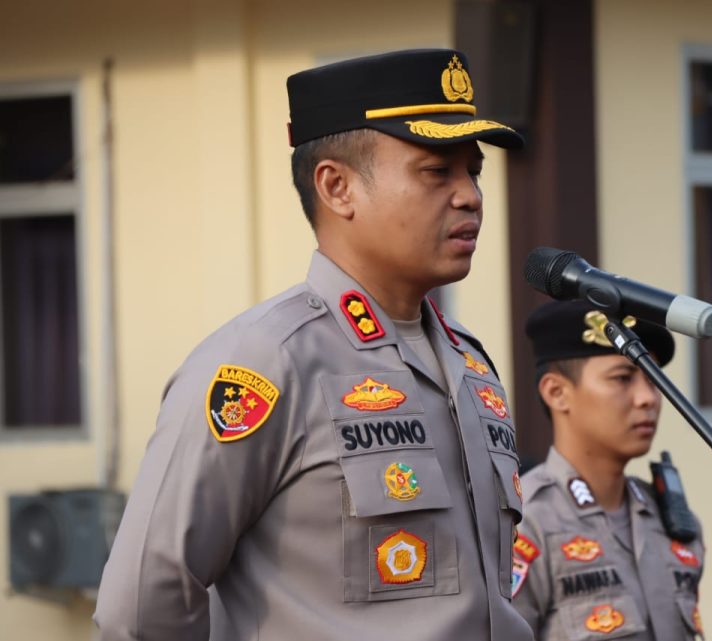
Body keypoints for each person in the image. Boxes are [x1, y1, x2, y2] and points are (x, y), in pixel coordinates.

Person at [94, 49, 533, 641]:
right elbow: (142, 605)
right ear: (337, 187)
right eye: (437, 171)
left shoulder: (468, 361)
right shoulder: (265, 362)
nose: (470, 196)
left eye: (473, 172)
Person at [511, 300, 705, 640]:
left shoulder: (671, 521)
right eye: (622, 378)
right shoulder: (525, 523)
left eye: (653, 380)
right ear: (557, 393)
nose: (647, 398)